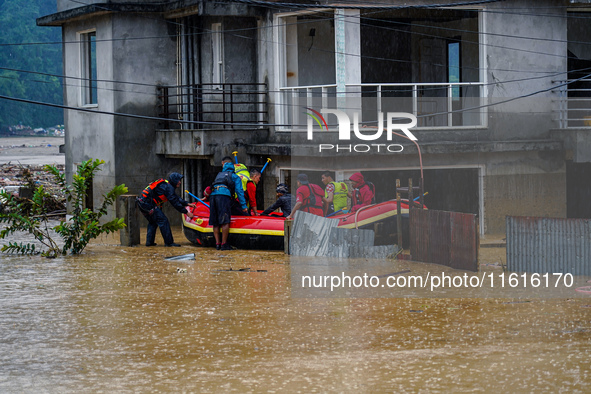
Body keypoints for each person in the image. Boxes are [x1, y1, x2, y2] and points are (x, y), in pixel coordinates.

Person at [136, 172, 195, 247]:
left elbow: (175, 197)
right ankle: (169, 243)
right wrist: (186, 212)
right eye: (178, 180)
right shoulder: (168, 188)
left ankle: (149, 243)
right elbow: (175, 203)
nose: (180, 182)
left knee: (153, 222)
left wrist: (187, 204)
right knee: (163, 221)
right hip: (147, 204)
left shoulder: (167, 185)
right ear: (174, 180)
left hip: (142, 203)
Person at [209, 156, 248, 250]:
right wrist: (244, 206)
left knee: (216, 222)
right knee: (225, 220)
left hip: (213, 196)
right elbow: (239, 191)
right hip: (223, 196)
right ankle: (224, 244)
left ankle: (217, 244)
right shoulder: (235, 176)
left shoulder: (219, 174)